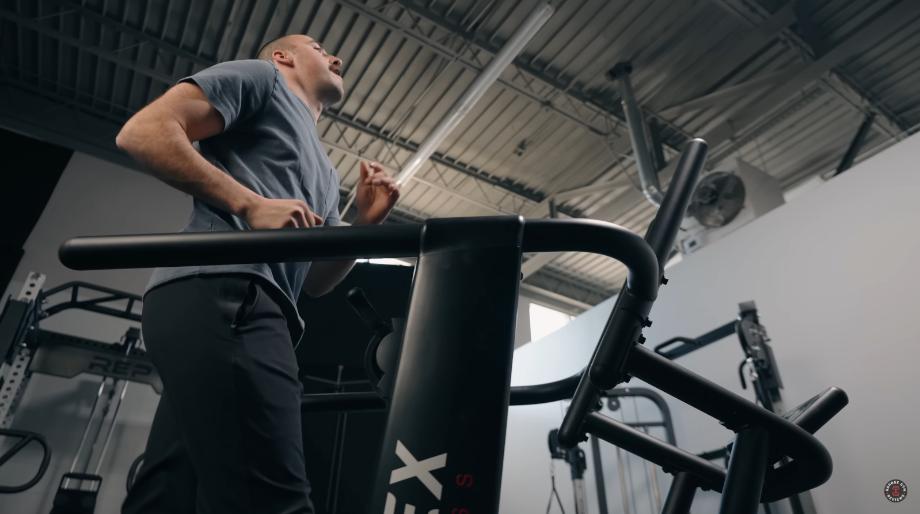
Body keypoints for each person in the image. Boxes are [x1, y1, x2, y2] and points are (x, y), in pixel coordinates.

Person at [114, 33, 399, 514]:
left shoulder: (326, 173)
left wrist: (364, 224)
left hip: (242, 305)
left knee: (167, 497)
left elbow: (314, 280)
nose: (338, 56)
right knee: (274, 503)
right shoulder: (261, 77)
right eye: (318, 47)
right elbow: (143, 132)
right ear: (284, 56)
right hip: (226, 290)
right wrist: (249, 204)